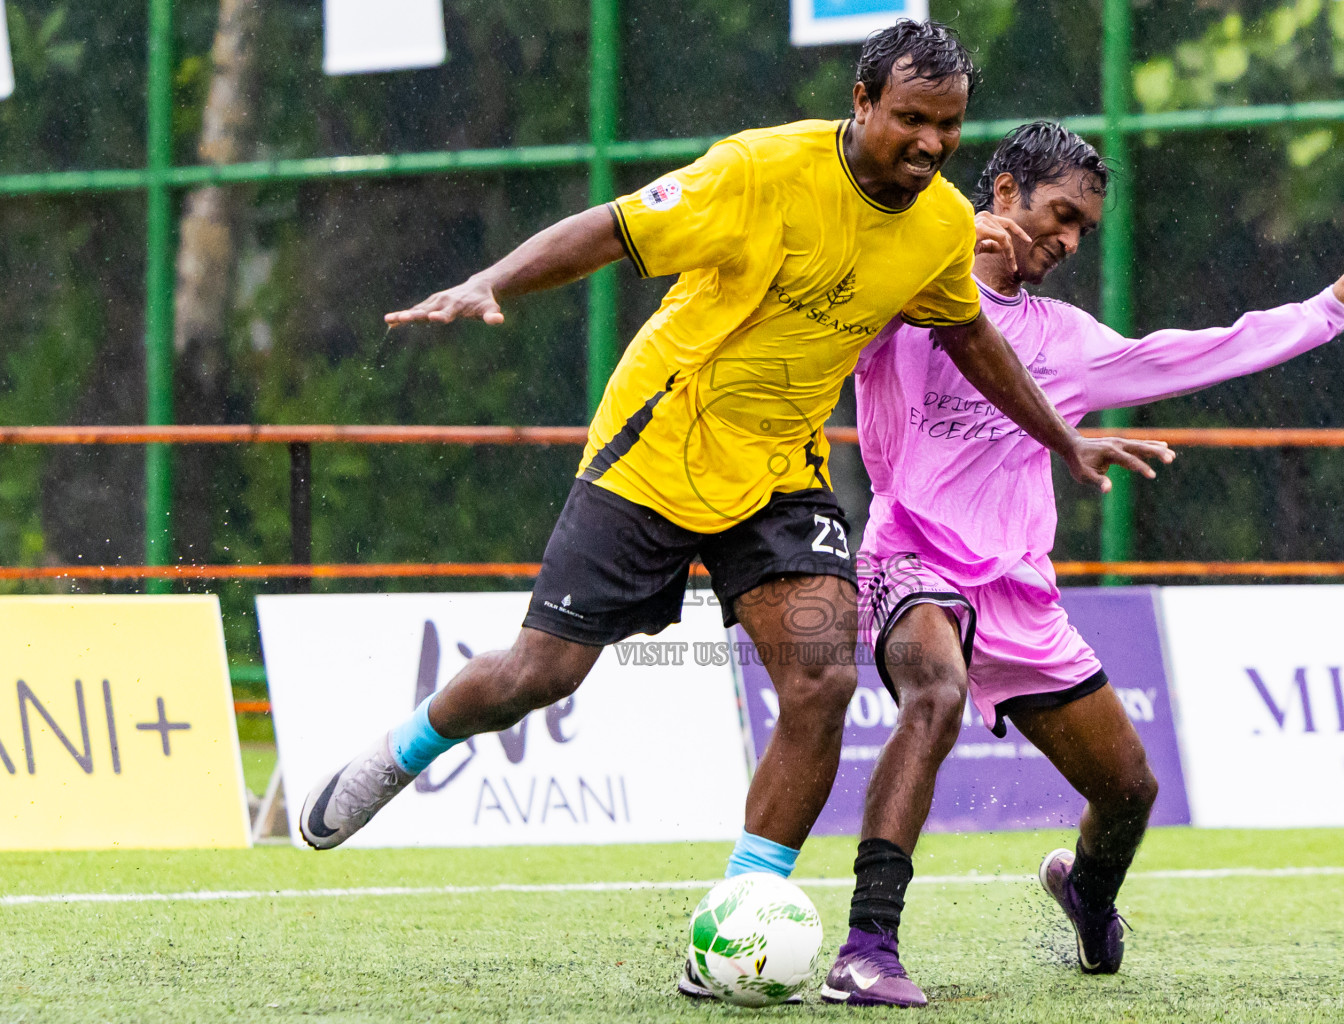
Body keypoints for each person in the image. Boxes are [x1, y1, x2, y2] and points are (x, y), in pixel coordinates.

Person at [294, 24, 1171, 996]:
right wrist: (492, 281)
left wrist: (1063, 436)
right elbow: (614, 228)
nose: (929, 144)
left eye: (949, 127)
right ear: (862, 100)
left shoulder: (935, 230)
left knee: (821, 678)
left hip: (780, 480)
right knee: (538, 674)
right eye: (911, 120)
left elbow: (972, 339)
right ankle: (402, 748)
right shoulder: (761, 171)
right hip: (654, 454)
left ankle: (739, 925)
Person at [822, 121, 1344, 1006]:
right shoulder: (908, 286)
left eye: (1083, 230)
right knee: (936, 694)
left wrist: (1325, 310)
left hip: (1017, 593)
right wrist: (946, 235)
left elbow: (1192, 352)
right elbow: (839, 267)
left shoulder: (1066, 340)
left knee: (1129, 790)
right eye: (1059, 216)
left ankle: (1087, 891)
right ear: (1003, 194)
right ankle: (867, 947)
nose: (1067, 241)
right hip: (907, 560)